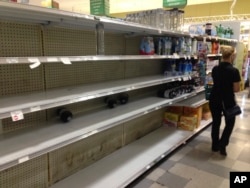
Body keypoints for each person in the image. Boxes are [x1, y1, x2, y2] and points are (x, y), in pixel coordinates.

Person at [209, 45, 241, 156]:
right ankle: (223, 145)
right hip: (227, 101)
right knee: (230, 123)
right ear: (232, 56)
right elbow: (236, 89)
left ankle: (214, 146)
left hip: (214, 98)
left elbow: (217, 83)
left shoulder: (215, 69)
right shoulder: (234, 71)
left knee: (216, 122)